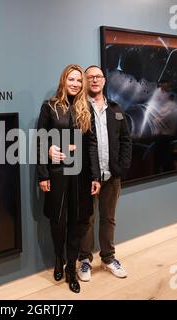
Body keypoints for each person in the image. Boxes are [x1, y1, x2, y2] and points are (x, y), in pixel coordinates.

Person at [36, 64, 101, 293]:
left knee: (77, 222)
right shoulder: (51, 107)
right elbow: (41, 140)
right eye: (71, 79)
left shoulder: (87, 108)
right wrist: (43, 169)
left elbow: (91, 144)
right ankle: (58, 258)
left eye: (78, 80)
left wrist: (96, 175)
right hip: (57, 173)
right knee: (58, 221)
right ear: (63, 81)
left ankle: (71, 269)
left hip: (81, 175)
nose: (75, 84)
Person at [76, 65, 132, 281]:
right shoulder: (80, 108)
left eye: (98, 77)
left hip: (112, 177)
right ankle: (84, 260)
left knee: (108, 219)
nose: (95, 80)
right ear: (85, 81)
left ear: (104, 81)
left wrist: (122, 167)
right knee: (87, 219)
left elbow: (126, 140)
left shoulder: (116, 109)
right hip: (89, 177)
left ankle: (108, 258)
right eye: (90, 77)